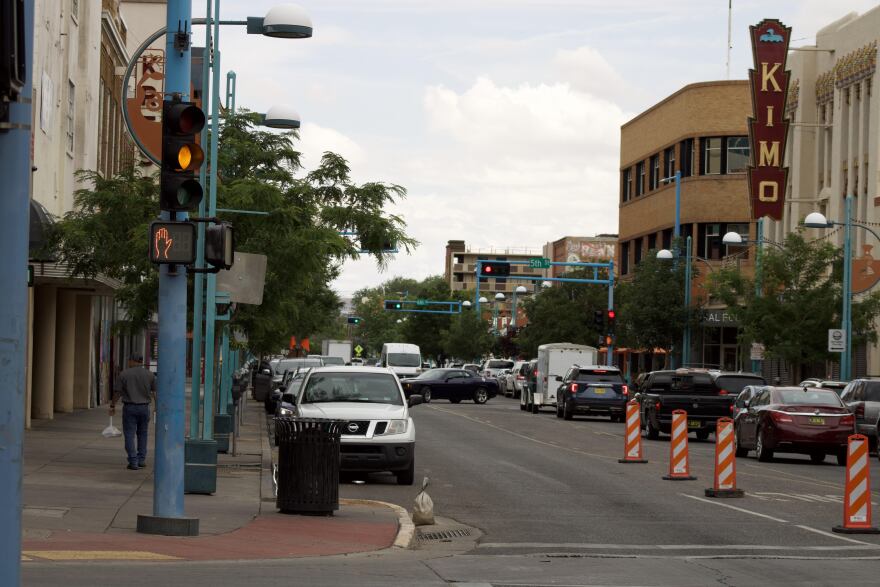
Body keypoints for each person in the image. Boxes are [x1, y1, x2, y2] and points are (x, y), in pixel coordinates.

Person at [110, 354, 156, 470]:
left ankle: (133, 461)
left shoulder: (124, 374)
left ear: (132, 361)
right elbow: (155, 392)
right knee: (143, 434)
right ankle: (141, 460)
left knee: (129, 434)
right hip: (144, 408)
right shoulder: (150, 374)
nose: (128, 362)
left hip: (130, 408)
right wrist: (157, 407)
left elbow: (117, 392)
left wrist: (112, 405)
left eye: (129, 360)